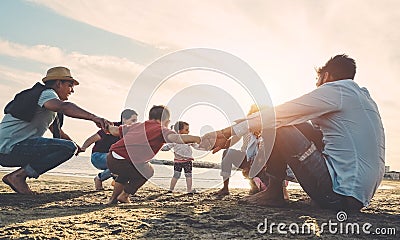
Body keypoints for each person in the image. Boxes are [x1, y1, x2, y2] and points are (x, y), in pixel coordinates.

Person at [205, 54, 385, 211]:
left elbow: (279, 115)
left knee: (275, 125)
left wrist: (226, 132)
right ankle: (275, 190)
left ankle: (274, 193)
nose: (317, 86)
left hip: (337, 195)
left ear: (326, 76)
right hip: (357, 198)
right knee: (296, 125)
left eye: (318, 81)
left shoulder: (337, 90)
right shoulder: (364, 100)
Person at [0, 66, 110, 194]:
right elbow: (65, 107)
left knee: (69, 147)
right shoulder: (47, 93)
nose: (72, 91)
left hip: (7, 150)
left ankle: (18, 176)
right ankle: (18, 177)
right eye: (70, 85)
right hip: (11, 147)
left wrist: (76, 146)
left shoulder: (42, 102)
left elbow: (57, 132)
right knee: (68, 147)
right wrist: (94, 117)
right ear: (58, 83)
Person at [106, 105, 204, 204]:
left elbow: (114, 131)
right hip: (125, 161)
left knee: (126, 173)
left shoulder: (138, 125)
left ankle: (113, 199)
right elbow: (177, 138)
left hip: (111, 158)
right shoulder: (162, 130)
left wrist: (108, 126)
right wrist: (196, 138)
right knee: (148, 171)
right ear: (167, 121)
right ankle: (124, 195)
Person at [81, 109, 138, 190]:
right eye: (133, 120)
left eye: (136, 121)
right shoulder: (112, 127)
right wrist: (83, 148)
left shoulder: (130, 133)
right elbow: (92, 138)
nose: (135, 123)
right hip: (98, 157)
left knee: (127, 163)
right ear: (124, 119)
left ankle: (116, 181)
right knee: (118, 161)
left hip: (112, 158)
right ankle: (99, 178)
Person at [161, 121, 200, 193]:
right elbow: (167, 147)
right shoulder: (174, 139)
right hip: (179, 161)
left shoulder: (189, 139)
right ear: (179, 131)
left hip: (186, 160)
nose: (188, 131)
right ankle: (171, 189)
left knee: (187, 175)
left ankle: (188, 190)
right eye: (186, 130)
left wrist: (203, 146)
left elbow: (196, 146)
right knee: (177, 175)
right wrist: (160, 147)